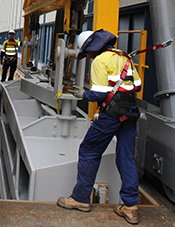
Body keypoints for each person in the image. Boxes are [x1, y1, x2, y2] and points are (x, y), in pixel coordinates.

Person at [56, 29, 142, 225]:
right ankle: (130, 206)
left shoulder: (99, 61)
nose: (89, 56)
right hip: (130, 113)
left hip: (111, 115)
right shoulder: (125, 58)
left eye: (88, 52)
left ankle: (80, 198)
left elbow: (98, 95)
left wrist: (80, 95)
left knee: (88, 151)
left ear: (93, 48)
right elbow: (136, 85)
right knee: (126, 156)